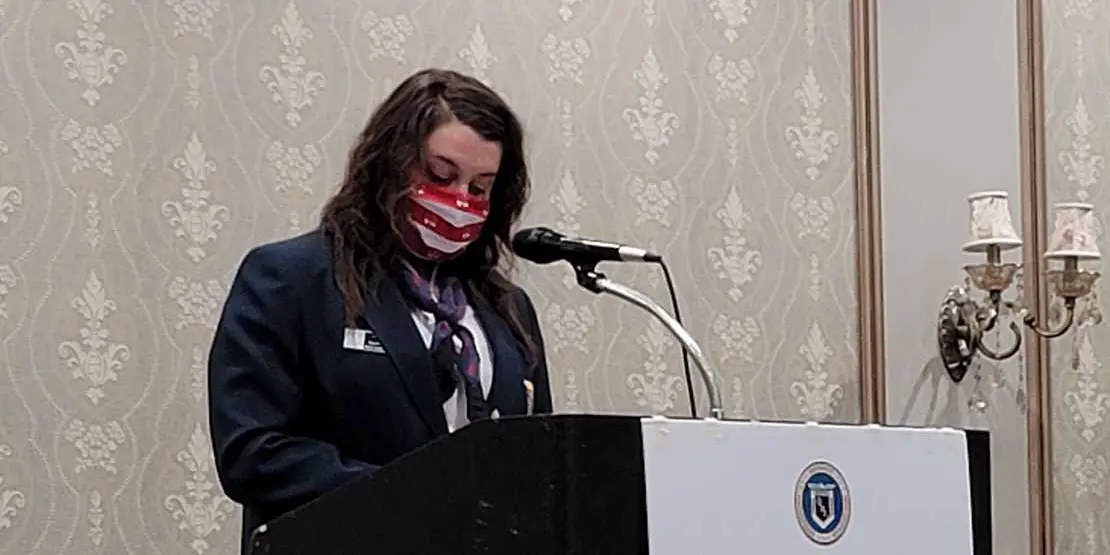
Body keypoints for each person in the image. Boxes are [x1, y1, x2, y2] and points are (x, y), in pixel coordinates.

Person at [206, 68, 553, 554]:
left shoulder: (506, 309)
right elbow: (254, 452)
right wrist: (417, 494)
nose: (459, 201)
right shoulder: (290, 279)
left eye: (480, 188)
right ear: (390, 164)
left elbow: (536, 460)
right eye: (441, 175)